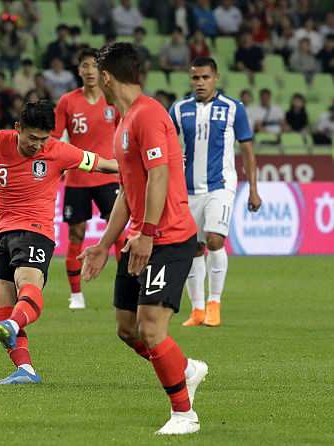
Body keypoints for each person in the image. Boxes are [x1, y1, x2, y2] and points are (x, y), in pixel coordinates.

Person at [0, 100, 119, 385]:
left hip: (37, 230)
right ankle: (25, 370)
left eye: (44, 139)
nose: (38, 145)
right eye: (32, 138)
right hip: (3, 232)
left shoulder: (59, 150)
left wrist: (144, 165)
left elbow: (103, 164)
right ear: (18, 128)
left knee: (25, 279)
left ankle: (14, 324)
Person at [79, 42, 207, 435]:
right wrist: (103, 243)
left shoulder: (148, 115)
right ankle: (185, 368)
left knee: (152, 327)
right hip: (139, 237)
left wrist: (149, 233)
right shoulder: (124, 121)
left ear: (106, 77)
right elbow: (127, 192)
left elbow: (160, 176)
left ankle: (184, 414)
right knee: (128, 329)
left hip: (166, 238)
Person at [169, 57, 261, 328]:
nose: (200, 83)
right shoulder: (179, 108)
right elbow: (166, 144)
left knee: (214, 241)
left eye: (205, 77)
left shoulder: (233, 108)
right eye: (195, 78)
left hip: (220, 186)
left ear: (216, 77)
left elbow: (247, 150)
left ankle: (214, 304)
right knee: (193, 248)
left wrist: (253, 189)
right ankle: (197, 310)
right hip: (188, 190)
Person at [51, 48, 124, 309]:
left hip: (108, 175)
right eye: (85, 66)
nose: (90, 70)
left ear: (101, 70)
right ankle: (76, 294)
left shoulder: (112, 101)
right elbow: (55, 138)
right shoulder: (67, 102)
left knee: (118, 233)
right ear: (79, 70)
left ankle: (126, 288)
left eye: (94, 65)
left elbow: (126, 130)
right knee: (76, 235)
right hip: (78, 178)